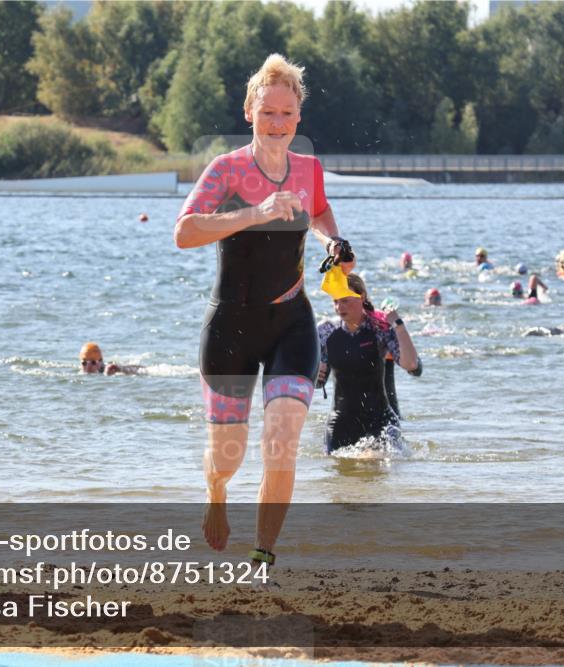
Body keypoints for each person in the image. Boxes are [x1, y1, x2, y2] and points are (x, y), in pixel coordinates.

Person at [174, 54, 353, 567]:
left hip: (290, 322)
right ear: (249, 110)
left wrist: (333, 238)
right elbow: (184, 233)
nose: (278, 124)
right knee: (226, 459)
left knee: (282, 439)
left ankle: (262, 556)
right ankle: (215, 494)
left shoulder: (309, 169)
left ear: (299, 117)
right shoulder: (225, 170)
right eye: (268, 113)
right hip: (231, 326)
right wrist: (255, 213)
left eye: (287, 114)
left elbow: (318, 210)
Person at [316, 274, 421, 454]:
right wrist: (314, 372)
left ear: (362, 297)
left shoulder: (379, 328)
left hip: (380, 419)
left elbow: (413, 366)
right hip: (341, 421)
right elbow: (318, 383)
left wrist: (398, 325)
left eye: (345, 301)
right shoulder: (326, 330)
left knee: (382, 469)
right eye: (335, 302)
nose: (339, 307)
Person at [79, 342, 143, 376]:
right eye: (84, 363)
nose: (88, 367)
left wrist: (119, 369)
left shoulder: (110, 368)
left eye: (93, 362)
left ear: (100, 362)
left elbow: (141, 369)